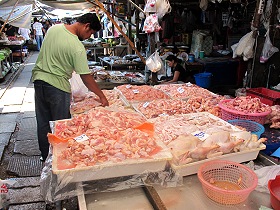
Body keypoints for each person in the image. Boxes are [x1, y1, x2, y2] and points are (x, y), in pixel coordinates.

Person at [32, 13, 109, 161]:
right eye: (90, 33)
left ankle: (46, 158)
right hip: (57, 87)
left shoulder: (54, 29)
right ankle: (61, 161)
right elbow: (86, 77)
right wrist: (101, 95)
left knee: (43, 123)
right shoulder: (77, 46)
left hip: (39, 81)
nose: (89, 37)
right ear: (86, 26)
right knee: (62, 125)